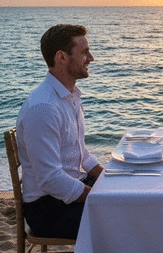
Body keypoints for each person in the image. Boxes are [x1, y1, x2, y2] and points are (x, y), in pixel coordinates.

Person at [16, 24, 104, 239]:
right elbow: (50, 179)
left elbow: (81, 153)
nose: (91, 58)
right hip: (49, 209)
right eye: (84, 52)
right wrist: (100, 197)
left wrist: (108, 177)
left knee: (131, 197)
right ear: (61, 57)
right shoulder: (43, 108)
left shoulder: (70, 95)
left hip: (72, 189)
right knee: (124, 216)